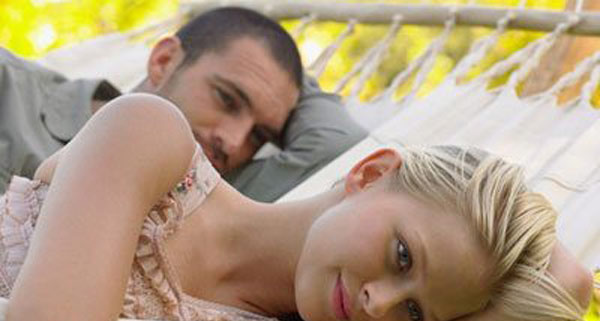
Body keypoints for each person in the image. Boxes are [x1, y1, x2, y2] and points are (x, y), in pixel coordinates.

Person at [2, 95, 592, 321]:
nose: (381, 303)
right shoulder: (150, 139)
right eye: (402, 256)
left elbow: (568, 287)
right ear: (370, 173)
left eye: (415, 312)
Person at [0, 6, 367, 201]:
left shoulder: (215, 198)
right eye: (227, 99)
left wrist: (286, 68)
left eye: (260, 135)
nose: (234, 142)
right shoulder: (10, 90)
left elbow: (337, 146)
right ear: (164, 61)